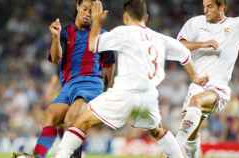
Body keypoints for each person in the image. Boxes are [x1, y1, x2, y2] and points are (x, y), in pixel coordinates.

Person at [54, 0, 208, 158]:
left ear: (125, 17)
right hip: (148, 97)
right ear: (146, 17)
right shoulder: (160, 38)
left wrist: (97, 21)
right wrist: (195, 77)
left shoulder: (124, 32)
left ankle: (60, 156)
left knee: (81, 121)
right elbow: (185, 54)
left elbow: (93, 45)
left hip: (125, 94)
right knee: (158, 131)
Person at [12, 0, 114, 158]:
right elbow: (55, 58)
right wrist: (55, 37)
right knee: (51, 114)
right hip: (68, 86)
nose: (87, 14)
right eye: (85, 9)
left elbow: (109, 65)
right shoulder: (65, 32)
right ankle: (38, 156)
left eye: (91, 11)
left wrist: (107, 89)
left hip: (91, 84)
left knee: (71, 119)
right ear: (77, 6)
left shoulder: (103, 34)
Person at [176, 0, 239, 157]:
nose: (205, 10)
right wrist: (202, 44)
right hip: (197, 85)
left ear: (221, 7)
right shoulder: (195, 23)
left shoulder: (237, 25)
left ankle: (173, 149)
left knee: (196, 102)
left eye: (210, 6)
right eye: (204, 6)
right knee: (192, 133)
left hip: (218, 88)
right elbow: (179, 45)